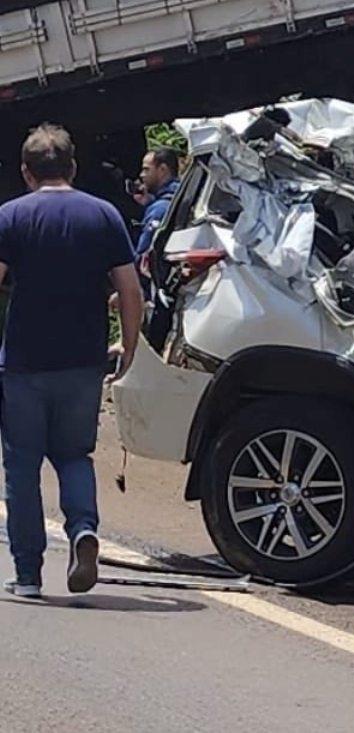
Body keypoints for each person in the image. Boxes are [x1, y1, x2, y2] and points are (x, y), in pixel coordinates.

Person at [0, 124, 144, 598]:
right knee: (73, 455)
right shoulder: (104, 216)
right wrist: (129, 345)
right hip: (83, 361)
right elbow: (130, 289)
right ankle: (83, 531)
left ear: (26, 173)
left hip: (23, 362)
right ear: (73, 168)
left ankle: (27, 575)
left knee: (21, 466)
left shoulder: (10, 217)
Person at [134, 146, 180, 258]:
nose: (141, 175)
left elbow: (143, 253)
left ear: (162, 170)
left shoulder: (159, 209)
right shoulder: (179, 195)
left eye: (146, 169)